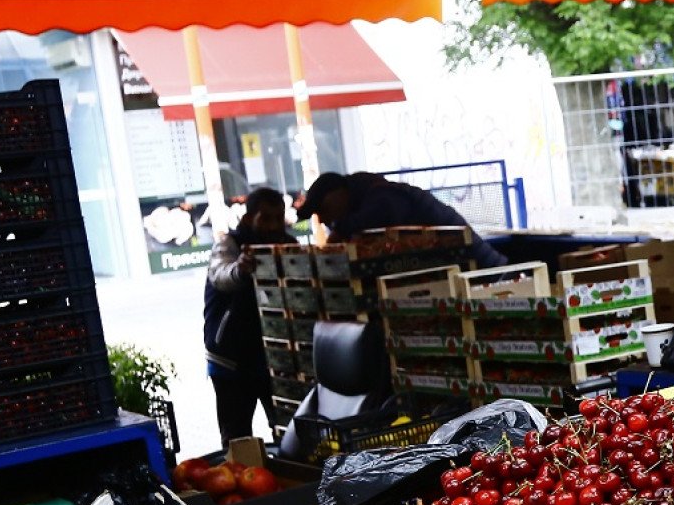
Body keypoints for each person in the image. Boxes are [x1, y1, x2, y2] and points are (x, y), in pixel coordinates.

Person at [204, 188, 292, 443]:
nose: (274, 225)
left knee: (288, 434)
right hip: (230, 360)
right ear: (247, 219)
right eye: (266, 218)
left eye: (279, 217)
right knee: (237, 439)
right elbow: (221, 275)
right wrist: (242, 270)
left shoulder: (287, 246)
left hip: (275, 360)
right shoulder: (228, 244)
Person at [295, 172, 508, 266]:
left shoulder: (383, 196)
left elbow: (367, 220)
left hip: (483, 270)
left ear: (339, 193)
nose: (323, 219)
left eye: (323, 209)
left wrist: (336, 237)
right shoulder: (374, 195)